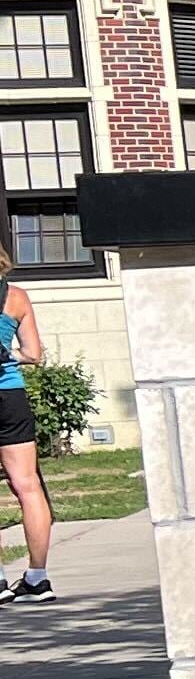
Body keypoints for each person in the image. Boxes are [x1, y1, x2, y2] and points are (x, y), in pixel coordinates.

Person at [1, 249, 48, 601]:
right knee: (27, 485)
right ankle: (37, 578)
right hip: (10, 397)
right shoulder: (16, 297)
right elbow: (33, 353)